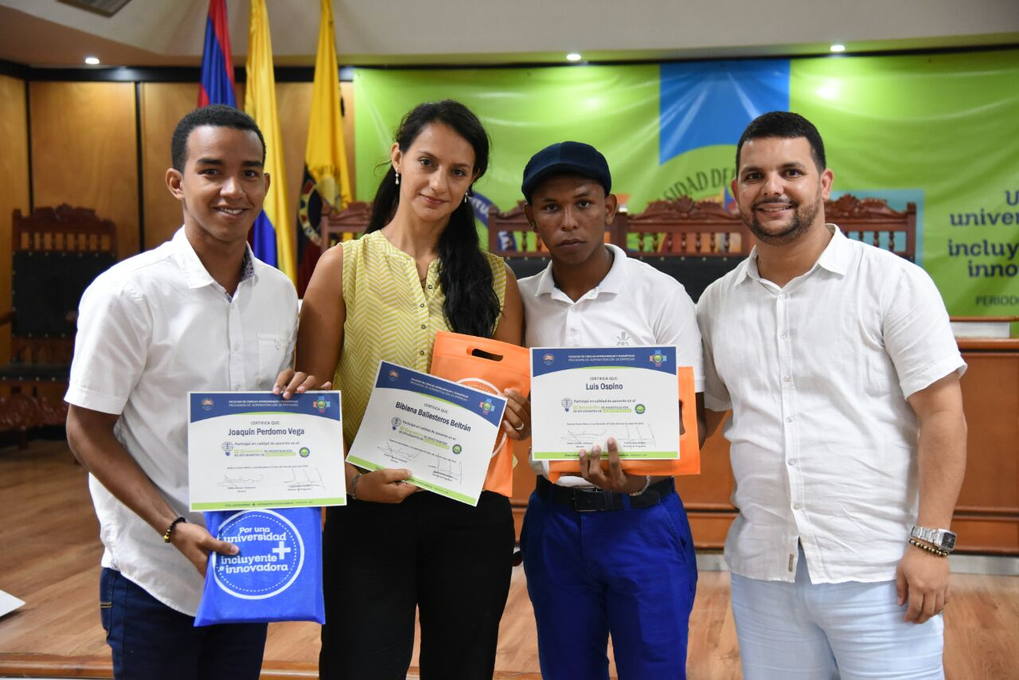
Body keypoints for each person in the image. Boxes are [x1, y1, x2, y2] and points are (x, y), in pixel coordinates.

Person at [697, 111, 967, 679]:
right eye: (753, 176)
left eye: (790, 171)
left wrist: (932, 545)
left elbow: (944, 416)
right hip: (764, 571)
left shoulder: (894, 283)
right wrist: (625, 454)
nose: (771, 188)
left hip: (881, 571)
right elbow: (704, 413)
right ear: (736, 192)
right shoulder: (717, 303)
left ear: (823, 183)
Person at [283, 100, 528, 680]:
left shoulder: (496, 277)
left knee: (463, 668)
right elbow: (314, 405)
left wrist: (514, 411)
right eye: (426, 161)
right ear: (397, 159)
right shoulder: (341, 265)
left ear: (472, 182)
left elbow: (509, 409)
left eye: (459, 171)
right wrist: (354, 486)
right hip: (368, 508)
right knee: (358, 667)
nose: (439, 182)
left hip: (471, 512)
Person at [64, 104, 301, 679]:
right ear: (177, 182)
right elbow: (84, 430)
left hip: (248, 561)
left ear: (266, 183)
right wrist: (172, 528)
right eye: (211, 171)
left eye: (249, 173)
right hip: (154, 571)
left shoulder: (279, 292)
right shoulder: (128, 293)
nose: (232, 189)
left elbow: (279, 413)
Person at [515, 141, 705, 680]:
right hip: (554, 519)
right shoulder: (518, 300)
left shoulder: (661, 294)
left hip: (642, 520)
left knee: (656, 670)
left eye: (583, 203)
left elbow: (687, 418)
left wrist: (639, 481)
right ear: (531, 217)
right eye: (550, 207)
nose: (569, 221)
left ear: (610, 208)